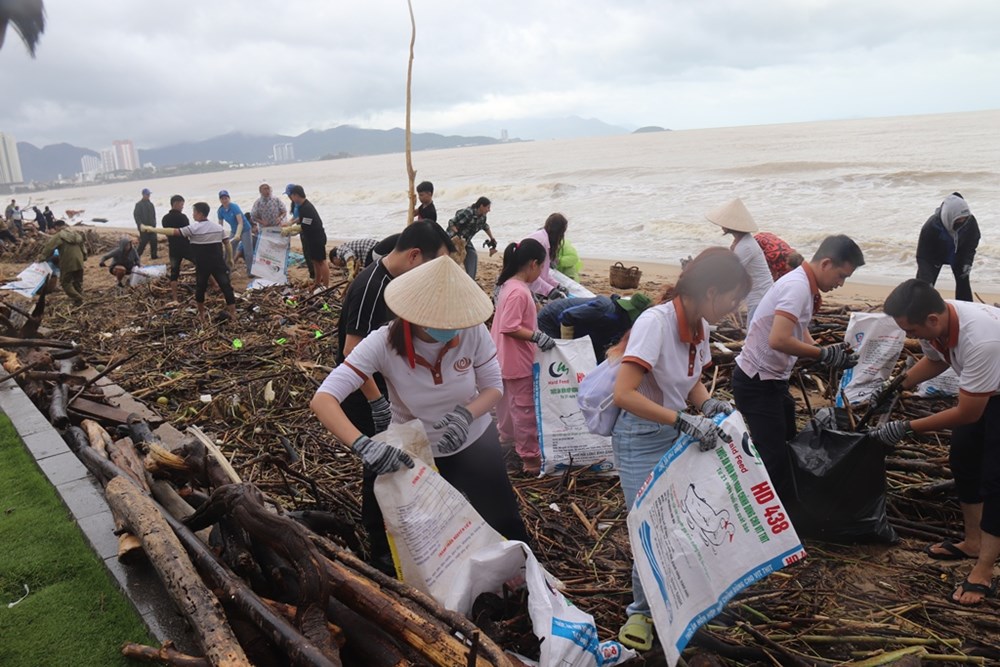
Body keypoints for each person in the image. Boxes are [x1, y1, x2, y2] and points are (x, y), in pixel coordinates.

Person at [312, 255, 530, 566]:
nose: (452, 330)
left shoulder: (472, 331)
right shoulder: (382, 343)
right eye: (444, 322)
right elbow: (323, 399)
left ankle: (523, 573)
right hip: (416, 450)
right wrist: (363, 445)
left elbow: (494, 387)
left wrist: (467, 414)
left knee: (504, 520)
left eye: (457, 320)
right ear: (415, 316)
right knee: (425, 534)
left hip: (474, 443)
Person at [609, 248, 749, 651]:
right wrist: (683, 420)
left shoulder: (698, 325)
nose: (734, 309)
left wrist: (707, 404)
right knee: (650, 525)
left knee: (680, 520)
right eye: (732, 299)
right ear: (711, 292)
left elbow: (691, 381)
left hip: (672, 428)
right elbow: (624, 393)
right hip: (639, 435)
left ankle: (679, 598)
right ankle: (641, 611)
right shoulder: (655, 323)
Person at [335, 221, 455, 573]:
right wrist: (377, 403)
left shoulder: (394, 283)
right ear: (415, 256)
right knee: (378, 464)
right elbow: (351, 350)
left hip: (381, 393)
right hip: (365, 395)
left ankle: (395, 531)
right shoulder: (373, 287)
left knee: (392, 460)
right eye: (433, 265)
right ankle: (379, 547)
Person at [873, 279, 1000, 606]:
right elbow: (936, 359)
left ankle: (984, 569)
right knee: (963, 459)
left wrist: (905, 427)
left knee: (995, 479)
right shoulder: (937, 323)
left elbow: (968, 412)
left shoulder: (981, 339)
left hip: (992, 392)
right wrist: (894, 386)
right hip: (987, 389)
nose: (911, 336)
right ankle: (972, 542)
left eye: (912, 331)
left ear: (931, 319)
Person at [732, 235, 865, 502]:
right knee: (773, 458)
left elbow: (797, 327)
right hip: (757, 381)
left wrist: (825, 352)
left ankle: (781, 505)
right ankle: (767, 514)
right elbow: (779, 339)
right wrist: (823, 354)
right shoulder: (797, 287)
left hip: (771, 381)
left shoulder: (803, 284)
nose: (840, 283)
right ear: (825, 263)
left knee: (787, 440)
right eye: (841, 276)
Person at [490, 238, 555, 475]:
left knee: (506, 407)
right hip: (517, 361)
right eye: (541, 267)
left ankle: (507, 443)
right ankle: (530, 460)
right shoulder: (519, 291)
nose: (540, 273)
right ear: (533, 264)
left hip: (502, 357)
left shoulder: (508, 285)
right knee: (524, 410)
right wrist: (537, 337)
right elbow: (509, 326)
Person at [141, 202, 236, 322]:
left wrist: (151, 229)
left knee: (200, 289)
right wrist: (230, 258)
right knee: (226, 288)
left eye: (194, 212)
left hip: (203, 265)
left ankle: (201, 315)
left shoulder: (194, 228)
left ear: (200, 213)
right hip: (218, 263)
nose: (193, 214)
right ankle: (233, 314)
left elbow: (172, 231)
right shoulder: (218, 228)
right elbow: (227, 244)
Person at [705, 198, 773, 322]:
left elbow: (732, 273)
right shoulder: (741, 242)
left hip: (760, 296)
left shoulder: (745, 246)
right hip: (759, 294)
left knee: (754, 330)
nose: (722, 225)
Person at [538, 292, 652, 362]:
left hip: (579, 327)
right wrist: (568, 347)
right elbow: (567, 316)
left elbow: (601, 346)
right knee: (558, 358)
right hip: (551, 318)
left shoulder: (622, 324)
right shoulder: (605, 309)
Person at [915, 192, 980, 302]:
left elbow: (971, 244)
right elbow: (922, 256)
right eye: (958, 220)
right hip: (933, 257)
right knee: (924, 287)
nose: (962, 222)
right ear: (949, 216)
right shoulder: (931, 226)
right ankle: (918, 309)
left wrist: (967, 262)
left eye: (964, 219)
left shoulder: (970, 222)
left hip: (958, 254)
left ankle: (965, 307)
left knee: (963, 280)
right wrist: (926, 277)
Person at [282, 185, 328, 290]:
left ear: (296, 195)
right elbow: (301, 221)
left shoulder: (307, 207)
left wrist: (290, 229)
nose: (291, 198)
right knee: (314, 261)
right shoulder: (301, 206)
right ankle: (317, 282)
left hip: (317, 236)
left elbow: (305, 225)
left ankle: (326, 286)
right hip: (310, 237)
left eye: (291, 196)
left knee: (322, 261)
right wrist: (290, 225)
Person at [39, 219, 87, 306]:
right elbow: (83, 247)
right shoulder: (76, 234)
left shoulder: (59, 236)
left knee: (65, 283)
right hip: (79, 261)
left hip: (68, 261)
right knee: (77, 281)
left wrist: (42, 258)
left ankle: (78, 298)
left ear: (57, 227)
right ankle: (78, 301)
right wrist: (84, 257)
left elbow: (49, 248)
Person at [447, 196, 497, 279]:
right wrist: (456, 233)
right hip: (453, 240)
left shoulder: (483, 217)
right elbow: (451, 222)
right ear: (481, 206)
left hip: (466, 241)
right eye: (488, 207)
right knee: (453, 260)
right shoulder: (468, 212)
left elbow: (485, 226)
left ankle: (470, 280)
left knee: (473, 255)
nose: (489, 210)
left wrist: (492, 238)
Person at [526, 213, 570, 299]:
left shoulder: (541, 236)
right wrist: (550, 291)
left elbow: (543, 273)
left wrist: (557, 285)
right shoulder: (543, 243)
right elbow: (530, 275)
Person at [161, 195, 192, 302]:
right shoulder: (183, 217)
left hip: (173, 248)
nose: (182, 207)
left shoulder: (165, 219)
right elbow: (187, 232)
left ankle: (175, 298)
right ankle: (214, 284)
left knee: (174, 273)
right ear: (176, 203)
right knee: (200, 263)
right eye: (181, 204)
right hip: (185, 246)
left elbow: (167, 234)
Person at [218, 190, 252, 276]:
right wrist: (220, 237)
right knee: (229, 250)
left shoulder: (234, 207)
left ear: (229, 198)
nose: (224, 200)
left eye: (226, 198)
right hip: (233, 230)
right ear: (220, 200)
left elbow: (240, 222)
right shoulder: (220, 211)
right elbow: (220, 226)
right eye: (222, 199)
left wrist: (238, 234)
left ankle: (250, 271)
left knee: (248, 251)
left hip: (245, 229)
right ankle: (227, 271)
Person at [133, 188, 158, 260]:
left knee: (154, 240)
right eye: (147, 194)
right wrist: (140, 225)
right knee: (143, 242)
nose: (148, 195)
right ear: (143, 195)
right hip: (143, 227)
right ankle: (136, 256)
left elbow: (154, 215)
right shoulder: (138, 204)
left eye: (149, 194)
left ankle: (154, 255)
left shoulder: (151, 204)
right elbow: (136, 216)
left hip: (152, 226)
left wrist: (154, 224)